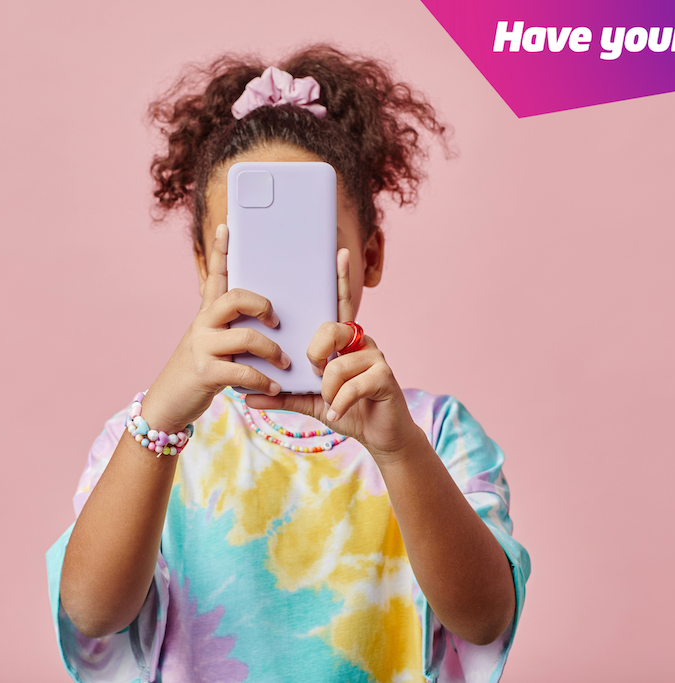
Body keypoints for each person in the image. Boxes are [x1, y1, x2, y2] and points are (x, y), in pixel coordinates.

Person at [46, 44, 530, 683]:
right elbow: (91, 612)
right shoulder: (148, 440)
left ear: (371, 255)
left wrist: (399, 452)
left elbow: (485, 618)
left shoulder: (433, 435)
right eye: (254, 253)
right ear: (203, 267)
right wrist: (160, 418)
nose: (278, 281)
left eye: (310, 247)